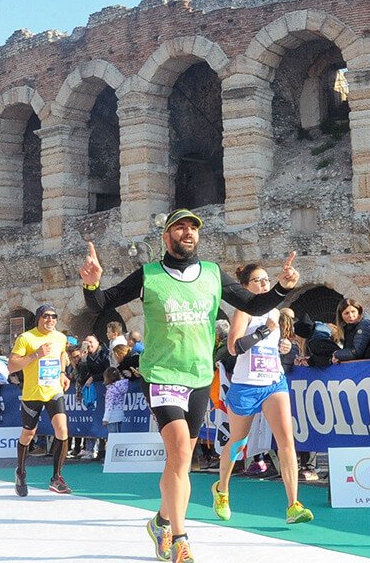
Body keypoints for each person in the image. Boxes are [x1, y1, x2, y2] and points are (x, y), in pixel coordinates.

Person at [82, 208, 299, 563]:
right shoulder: (149, 274)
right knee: (181, 452)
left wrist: (282, 288)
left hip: (199, 376)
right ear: (166, 236)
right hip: (161, 375)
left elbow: (254, 303)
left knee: (179, 463)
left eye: (193, 228)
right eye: (180, 227)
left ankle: (161, 521)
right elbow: (101, 303)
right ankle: (179, 538)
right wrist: (91, 284)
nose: (187, 232)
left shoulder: (212, 273)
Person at [211, 263, 314, 526]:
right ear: (245, 287)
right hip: (246, 385)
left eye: (266, 279)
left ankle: (293, 505)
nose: (265, 284)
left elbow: (270, 347)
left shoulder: (275, 311)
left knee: (286, 441)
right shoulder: (244, 311)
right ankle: (222, 490)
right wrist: (263, 331)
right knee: (238, 442)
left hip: (273, 383)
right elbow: (234, 347)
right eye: (257, 281)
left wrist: (284, 347)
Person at [7, 304, 74, 496]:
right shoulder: (26, 338)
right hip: (33, 393)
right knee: (29, 433)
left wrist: (62, 373)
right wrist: (36, 354)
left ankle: (56, 478)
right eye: (46, 316)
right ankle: (20, 472)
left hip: (54, 391)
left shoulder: (60, 337)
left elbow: (62, 354)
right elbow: (12, 366)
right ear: (38, 318)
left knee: (62, 430)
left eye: (54, 316)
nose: (50, 320)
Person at [332, 298, 370, 362]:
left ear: (359, 312)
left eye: (353, 311)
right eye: (346, 313)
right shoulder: (348, 327)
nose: (350, 315)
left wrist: (336, 354)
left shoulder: (364, 325)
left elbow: (356, 352)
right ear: (341, 315)